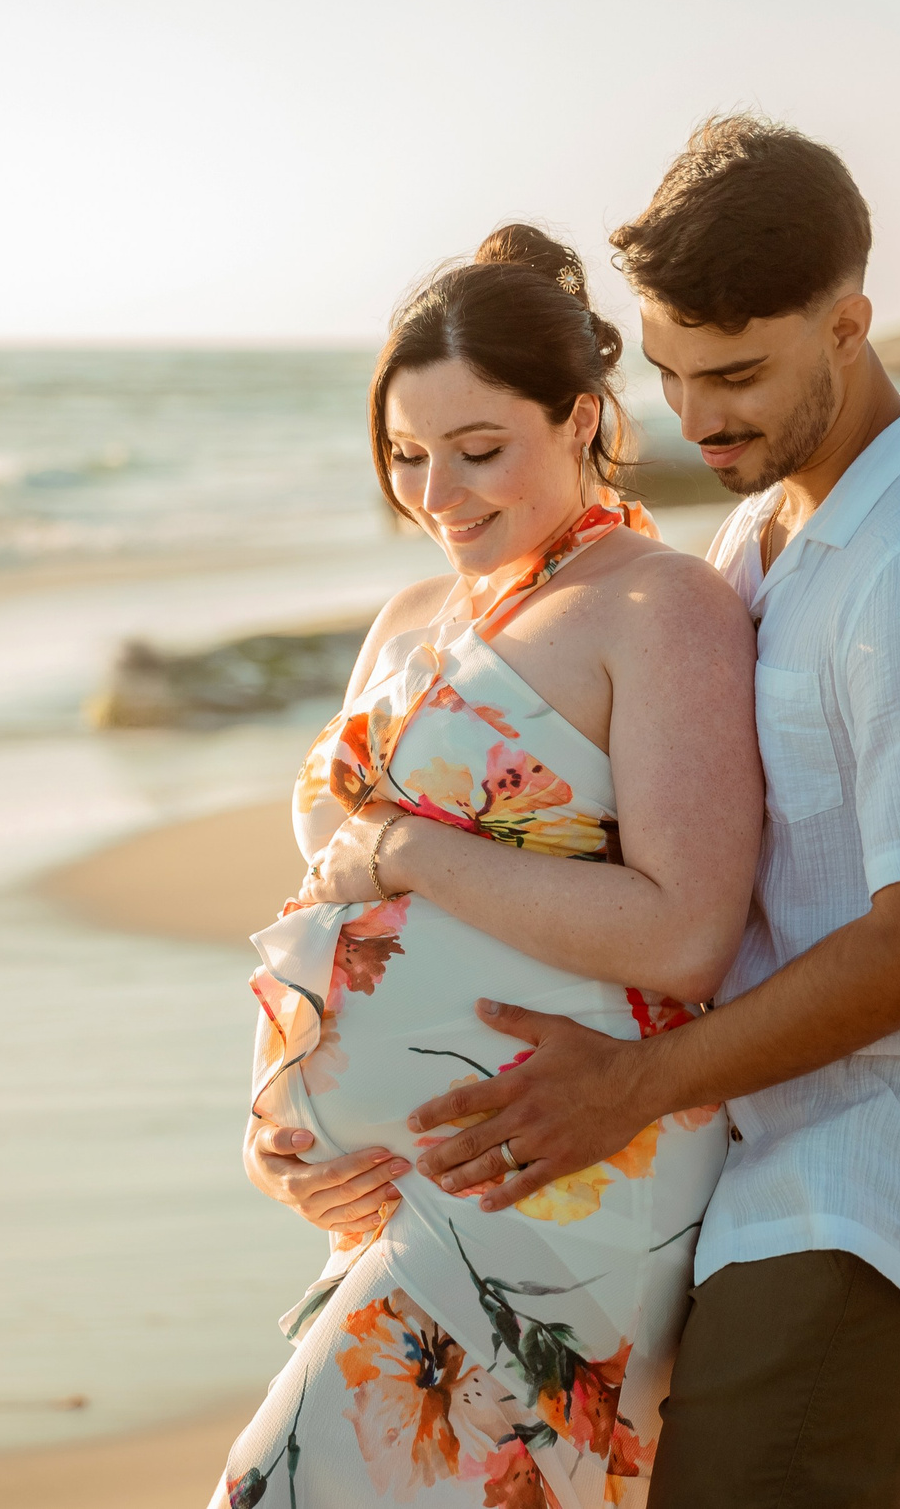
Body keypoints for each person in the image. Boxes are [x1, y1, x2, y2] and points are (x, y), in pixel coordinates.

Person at [396, 117, 900, 1506]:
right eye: (666, 369)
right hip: (778, 1163)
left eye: (738, 372)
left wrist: (635, 1083)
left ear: (851, 325)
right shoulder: (762, 532)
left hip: (894, 1183)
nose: (700, 413)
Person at [218, 224, 762, 1508]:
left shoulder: (659, 608)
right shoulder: (410, 619)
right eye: (408, 457)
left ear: (582, 419)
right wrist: (278, 1137)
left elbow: (684, 931)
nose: (438, 493)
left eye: (478, 451)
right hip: (409, 1194)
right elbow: (323, 897)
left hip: (562, 1175)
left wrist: (410, 846)